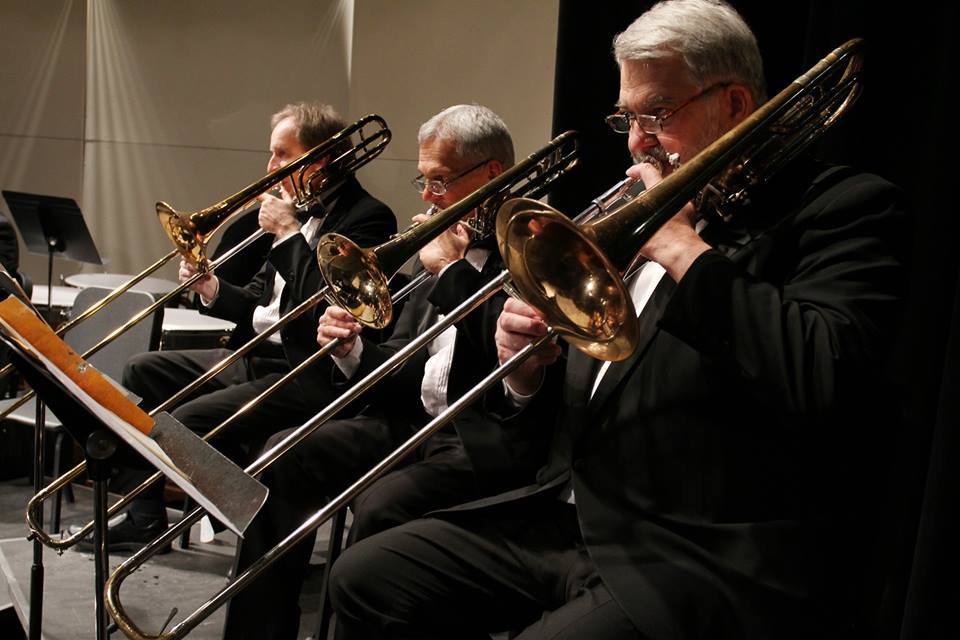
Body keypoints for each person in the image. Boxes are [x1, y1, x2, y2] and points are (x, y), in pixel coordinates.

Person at [327, 2, 909, 639]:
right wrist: (528, 370)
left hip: (693, 547)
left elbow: (825, 374)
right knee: (365, 576)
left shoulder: (841, 207)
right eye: (628, 118)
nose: (636, 142)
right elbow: (579, 401)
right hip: (574, 517)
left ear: (736, 105)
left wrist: (685, 249)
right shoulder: (640, 216)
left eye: (657, 114)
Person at [220, 104, 549, 640]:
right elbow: (406, 364)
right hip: (410, 422)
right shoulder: (442, 252)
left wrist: (452, 273)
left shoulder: (535, 246)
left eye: (439, 181)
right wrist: (349, 349)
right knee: (281, 456)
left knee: (379, 507)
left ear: (492, 175)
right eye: (423, 180)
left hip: (479, 439)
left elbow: (500, 369)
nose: (426, 198)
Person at [84, 102, 397, 550]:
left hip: (306, 369)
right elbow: (260, 301)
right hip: (259, 354)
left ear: (321, 160)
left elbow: (321, 308)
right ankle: (145, 516)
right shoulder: (294, 208)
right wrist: (210, 287)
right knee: (141, 370)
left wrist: (289, 235)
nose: (270, 167)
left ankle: (242, 519)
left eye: (282, 155)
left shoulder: (368, 217)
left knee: (188, 422)